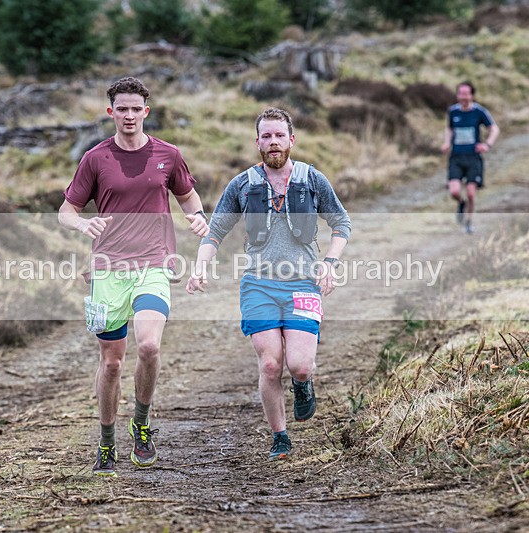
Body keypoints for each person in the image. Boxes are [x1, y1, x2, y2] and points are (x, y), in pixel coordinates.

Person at [59, 77, 209, 477]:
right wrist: (81, 227)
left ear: (147, 111)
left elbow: (187, 196)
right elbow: (66, 211)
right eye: (120, 109)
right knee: (111, 364)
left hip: (154, 264)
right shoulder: (95, 158)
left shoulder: (168, 154)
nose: (128, 116)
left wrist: (196, 217)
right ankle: (106, 443)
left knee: (148, 346)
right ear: (111, 112)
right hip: (108, 270)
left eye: (135, 109)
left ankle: (141, 424)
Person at [186, 107, 351, 461]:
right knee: (271, 365)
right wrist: (200, 268)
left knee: (300, 365)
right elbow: (214, 233)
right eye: (266, 136)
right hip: (258, 286)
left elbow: (342, 224)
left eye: (279, 135)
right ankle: (280, 437)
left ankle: (303, 385)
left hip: (303, 285)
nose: (273, 142)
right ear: (257, 142)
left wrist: (330, 264)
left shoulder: (312, 180)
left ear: (291, 139)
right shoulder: (243, 185)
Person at [441, 81, 500, 234]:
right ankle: (461, 204)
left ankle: (469, 222)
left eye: (466, 94)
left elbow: (494, 129)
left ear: (472, 95)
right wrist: (447, 143)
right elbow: (449, 129)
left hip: (473, 158)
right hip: (456, 157)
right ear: (457, 95)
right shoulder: (453, 112)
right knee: (454, 191)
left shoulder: (479, 112)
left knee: (471, 193)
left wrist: (487, 144)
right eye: (460, 94)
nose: (463, 97)